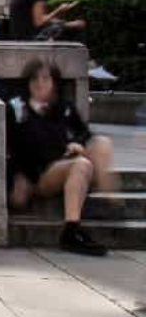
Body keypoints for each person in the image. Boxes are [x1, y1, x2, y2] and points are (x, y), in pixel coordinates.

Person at [9, 60, 115, 256]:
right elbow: (21, 146)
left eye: (46, 78)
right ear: (27, 82)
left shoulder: (62, 106)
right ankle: (71, 232)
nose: (40, 83)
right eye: (35, 78)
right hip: (39, 173)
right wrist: (18, 176)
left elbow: (84, 133)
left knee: (101, 143)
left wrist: (77, 143)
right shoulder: (18, 107)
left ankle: (104, 202)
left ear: (54, 82)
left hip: (63, 162)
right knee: (81, 164)